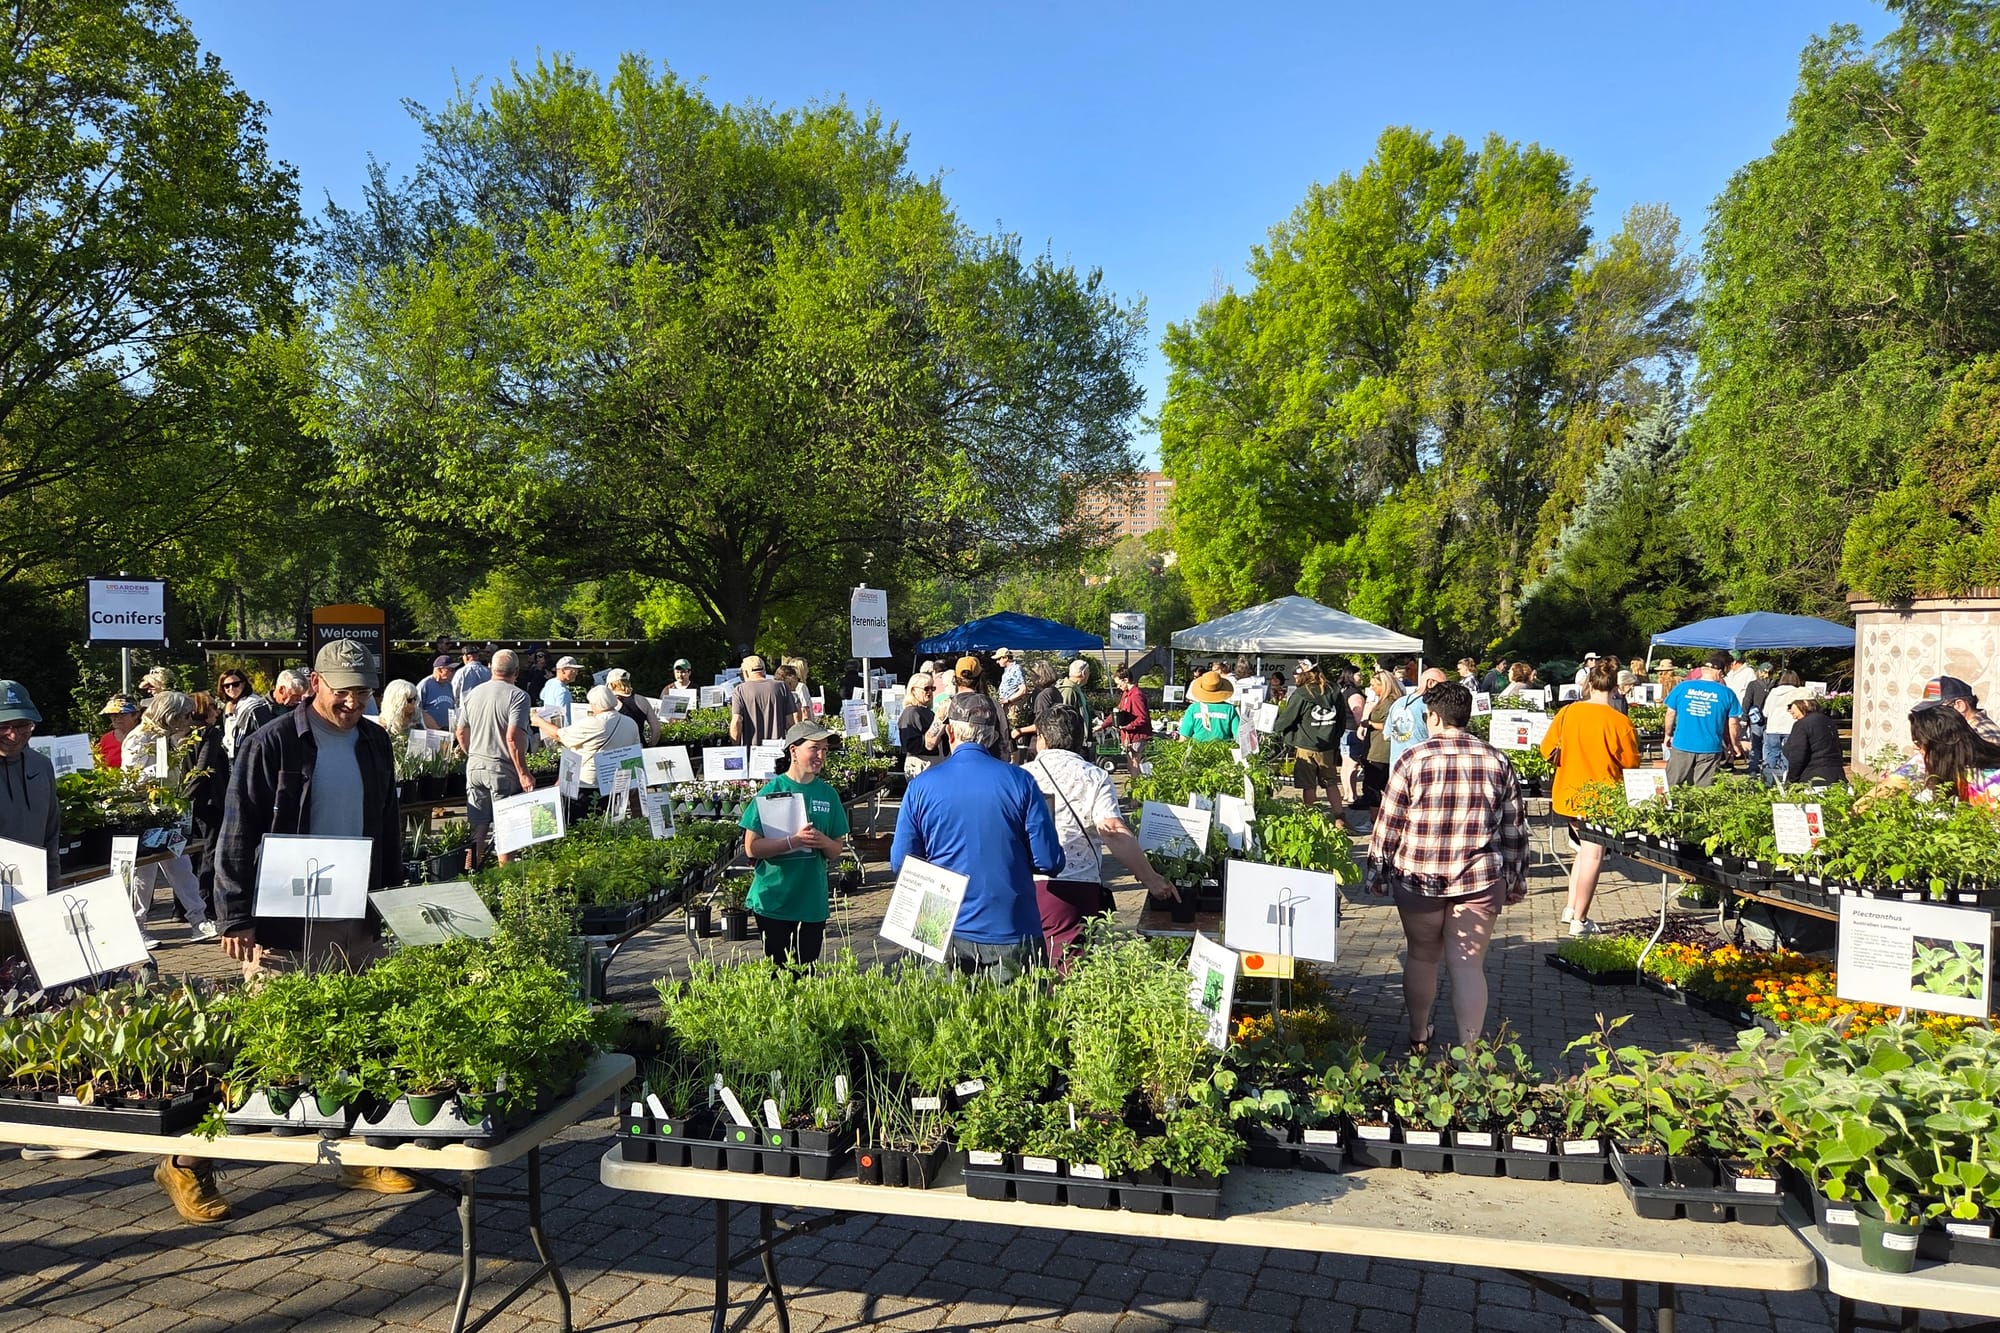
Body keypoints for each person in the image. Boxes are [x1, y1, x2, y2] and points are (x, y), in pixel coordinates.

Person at [186, 639, 413, 1222]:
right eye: (344, 692)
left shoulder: (374, 740)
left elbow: (387, 823)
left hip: (354, 908)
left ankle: (359, 1153)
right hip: (284, 916)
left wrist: (393, 902)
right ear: (315, 683)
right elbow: (237, 832)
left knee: (354, 1034)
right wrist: (233, 916)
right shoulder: (274, 742)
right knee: (264, 1048)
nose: (354, 703)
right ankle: (188, 1164)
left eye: (363, 692)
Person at [1365, 681, 1528, 1052]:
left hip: (1419, 875)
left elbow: (1389, 822)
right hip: (1479, 877)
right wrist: (1516, 878)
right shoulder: (1497, 759)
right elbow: (1514, 828)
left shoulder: (1413, 758)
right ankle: (1470, 1053)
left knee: (1422, 955)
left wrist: (1377, 870)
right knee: (1468, 965)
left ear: (1435, 717)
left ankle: (1419, 1035)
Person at [889, 692, 1063, 979]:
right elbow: (1048, 861)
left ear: (949, 732)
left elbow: (901, 862)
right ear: (993, 736)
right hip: (1009, 920)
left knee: (944, 1020)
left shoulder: (921, 786)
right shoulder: (1021, 782)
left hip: (938, 921)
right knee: (1015, 1019)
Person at [1025, 706, 1177, 969]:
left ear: (1042, 738)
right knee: (1066, 971)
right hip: (1077, 885)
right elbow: (1111, 829)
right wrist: (1150, 878)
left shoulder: (1021, 774)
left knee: (1025, 968)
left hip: (1026, 883)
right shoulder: (1094, 776)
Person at [1540, 663, 1641, 936]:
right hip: (1600, 798)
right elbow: (1631, 764)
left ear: (1589, 684)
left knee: (1584, 851)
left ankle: (1571, 908)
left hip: (1567, 793)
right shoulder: (1620, 721)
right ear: (1615, 687)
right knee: (1594, 854)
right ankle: (1580, 920)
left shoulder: (1568, 711)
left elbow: (1546, 748)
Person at [739, 719, 849, 965]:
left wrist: (822, 841)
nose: (821, 755)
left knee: (805, 977)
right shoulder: (771, 791)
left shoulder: (828, 795)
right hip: (774, 901)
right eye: (814, 748)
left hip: (811, 903)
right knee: (778, 974)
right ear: (793, 751)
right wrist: (793, 841)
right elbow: (752, 847)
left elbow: (836, 850)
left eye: (825, 750)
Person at [457, 648, 535, 867]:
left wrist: (472, 753)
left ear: (491, 668)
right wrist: (524, 773)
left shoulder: (473, 693)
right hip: (502, 768)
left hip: (474, 765)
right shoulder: (518, 695)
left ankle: (471, 872)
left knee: (479, 826)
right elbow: (513, 737)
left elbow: (461, 731)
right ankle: (504, 878)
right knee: (505, 826)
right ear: (516, 672)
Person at [535, 684, 642, 813]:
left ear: (596, 704)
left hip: (589, 783)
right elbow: (634, 754)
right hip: (614, 782)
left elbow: (559, 735)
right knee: (606, 823)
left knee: (582, 821)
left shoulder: (595, 722)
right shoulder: (630, 722)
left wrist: (538, 721)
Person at [0, 681, 60, 893]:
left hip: (34, 894)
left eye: (23, 725)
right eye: (3, 726)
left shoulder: (41, 766)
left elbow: (51, 835)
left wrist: (53, 890)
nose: (13, 735)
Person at [1662, 652, 1742, 788]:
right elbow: (1733, 722)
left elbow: (1670, 714)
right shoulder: (1727, 693)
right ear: (1720, 672)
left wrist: (1668, 734)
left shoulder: (1683, 687)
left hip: (1682, 744)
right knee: (1703, 790)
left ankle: (1666, 809)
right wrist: (1734, 744)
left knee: (1671, 786)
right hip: (1709, 747)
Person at [1273, 660, 1344, 814]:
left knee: (1308, 785)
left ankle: (1312, 818)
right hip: (1328, 746)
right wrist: (1334, 740)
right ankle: (1340, 817)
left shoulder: (1301, 694)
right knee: (1331, 783)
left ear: (1304, 675)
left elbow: (1288, 718)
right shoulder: (1334, 690)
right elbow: (1342, 719)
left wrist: (1277, 728)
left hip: (1306, 744)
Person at [1909, 703, 2000, 806]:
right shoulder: (1954, 769)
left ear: (1939, 747)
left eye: (1918, 742)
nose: (1915, 747)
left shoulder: (1992, 780)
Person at [729, 655, 798, 751]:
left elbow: (737, 721)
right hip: (778, 751)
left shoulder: (740, 690)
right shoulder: (782, 687)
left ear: (745, 673)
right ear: (764, 671)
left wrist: (735, 749)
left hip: (752, 752)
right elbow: (790, 722)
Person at [1354, 669, 1401, 809]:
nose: (1371, 688)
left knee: (1373, 785)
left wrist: (1370, 723)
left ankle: (1374, 819)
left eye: (1374, 685)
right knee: (1378, 784)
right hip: (1375, 745)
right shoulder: (1383, 700)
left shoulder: (1390, 702)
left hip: (1382, 749)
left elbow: (1392, 725)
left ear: (1384, 685)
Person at [1386, 667, 1448, 772]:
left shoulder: (1398, 702)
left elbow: (1386, 735)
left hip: (1396, 765)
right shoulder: (1429, 706)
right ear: (1431, 683)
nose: (1445, 690)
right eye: (1443, 686)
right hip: (1420, 765)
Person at [1781, 696, 1847, 786]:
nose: (1793, 715)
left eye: (1791, 708)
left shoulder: (1802, 724)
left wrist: (1792, 779)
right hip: (1836, 775)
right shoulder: (1828, 721)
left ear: (1803, 703)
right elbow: (1838, 748)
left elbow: (1797, 755)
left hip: (1813, 777)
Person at [1761, 670, 1807, 784]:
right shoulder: (1799, 692)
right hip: (1790, 728)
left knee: (1771, 755)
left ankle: (1768, 781)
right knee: (1788, 756)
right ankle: (1787, 781)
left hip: (1772, 728)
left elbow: (1765, 712)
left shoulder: (1773, 692)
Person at [1925, 676, 2000, 745]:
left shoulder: (1983, 736)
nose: (1933, 716)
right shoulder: (1965, 732)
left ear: (1960, 705)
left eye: (1936, 709)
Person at [1106, 666, 1150, 776]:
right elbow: (1118, 712)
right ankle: (1136, 787)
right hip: (1128, 735)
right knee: (1131, 763)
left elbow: (1142, 718)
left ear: (1125, 680)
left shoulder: (1136, 695)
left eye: (1119, 683)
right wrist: (1103, 725)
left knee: (1134, 763)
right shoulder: (1126, 694)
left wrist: (1127, 727)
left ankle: (1138, 789)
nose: (1118, 686)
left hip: (1136, 736)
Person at [897, 672, 943, 775]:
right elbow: (910, 744)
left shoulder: (928, 712)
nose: (930, 692)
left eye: (932, 688)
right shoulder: (911, 712)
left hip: (933, 764)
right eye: (926, 689)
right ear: (913, 690)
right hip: (921, 765)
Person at [1178, 670, 1240, 742]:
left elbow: (1184, 738)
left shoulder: (1193, 709)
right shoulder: (1230, 709)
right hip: (1223, 751)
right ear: (1222, 688)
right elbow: (1238, 736)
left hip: (1197, 751)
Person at [606, 668, 660, 744]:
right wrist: (651, 745)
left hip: (618, 750)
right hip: (639, 747)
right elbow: (656, 728)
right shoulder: (642, 700)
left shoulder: (610, 702)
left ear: (611, 685)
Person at [1741, 667, 1775, 779]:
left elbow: (1747, 701)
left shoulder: (1753, 684)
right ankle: (1766, 768)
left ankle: (1753, 768)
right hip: (1770, 718)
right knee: (1767, 745)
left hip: (1756, 718)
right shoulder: (1775, 685)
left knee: (1755, 744)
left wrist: (1744, 717)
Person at [97, 694, 140, 768]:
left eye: (122, 714)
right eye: (112, 714)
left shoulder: (146, 737)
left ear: (136, 715)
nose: (116, 718)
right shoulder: (105, 739)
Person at [541, 655, 584, 726]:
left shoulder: (550, 682)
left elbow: (542, 696)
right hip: (560, 730)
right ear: (563, 671)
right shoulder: (563, 691)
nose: (576, 673)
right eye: (573, 670)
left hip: (548, 726)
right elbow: (564, 716)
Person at [418, 655, 456, 731]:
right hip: (430, 732)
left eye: (454, 670)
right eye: (450, 669)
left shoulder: (449, 685)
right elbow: (417, 710)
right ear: (439, 670)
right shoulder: (425, 685)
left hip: (447, 730)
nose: (453, 672)